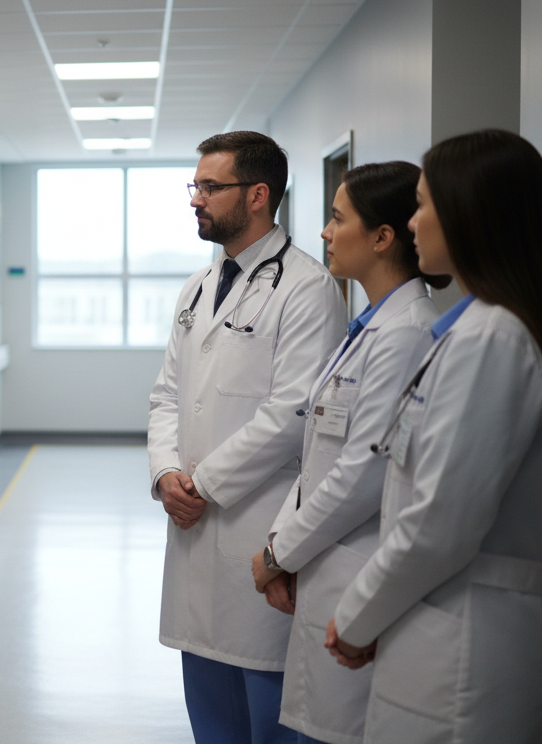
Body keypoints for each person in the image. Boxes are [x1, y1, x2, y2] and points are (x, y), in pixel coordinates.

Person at [325, 130, 542, 743]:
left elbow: (441, 520)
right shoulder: (471, 331)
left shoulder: (492, 340)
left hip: (469, 638)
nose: (414, 221)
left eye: (424, 205)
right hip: (438, 623)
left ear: (471, 215)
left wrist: (355, 614)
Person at [148, 130, 346, 744]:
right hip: (192, 528)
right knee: (209, 713)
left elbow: (293, 412)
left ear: (258, 194)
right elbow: (166, 396)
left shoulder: (307, 288)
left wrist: (202, 484)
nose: (196, 199)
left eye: (211, 186)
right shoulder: (199, 287)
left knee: (268, 714)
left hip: (258, 526)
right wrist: (164, 476)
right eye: (196, 185)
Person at [249, 162, 445, 744]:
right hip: (329, 565)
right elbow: (319, 460)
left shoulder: (409, 333)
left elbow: (363, 472)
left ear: (383, 237)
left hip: (358, 567)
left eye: (337, 219)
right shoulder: (369, 329)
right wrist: (280, 549)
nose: (325, 233)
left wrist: (279, 553)